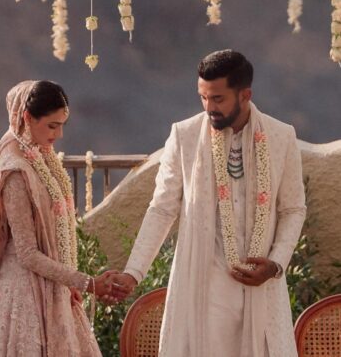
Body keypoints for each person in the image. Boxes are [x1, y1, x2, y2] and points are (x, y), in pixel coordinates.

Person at [111, 50, 306, 356]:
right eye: (203, 97)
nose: (208, 107)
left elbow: (293, 209)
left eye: (218, 99)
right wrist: (133, 271)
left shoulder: (281, 136)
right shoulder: (185, 135)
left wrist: (277, 263)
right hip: (205, 284)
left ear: (245, 95)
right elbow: (162, 208)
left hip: (262, 285)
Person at [0, 80, 115, 357]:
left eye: (62, 124)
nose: (59, 134)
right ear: (27, 117)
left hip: (52, 285)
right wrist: (86, 282)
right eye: (52, 125)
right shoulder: (14, 170)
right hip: (20, 296)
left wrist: (70, 281)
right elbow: (27, 253)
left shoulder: (40, 155)